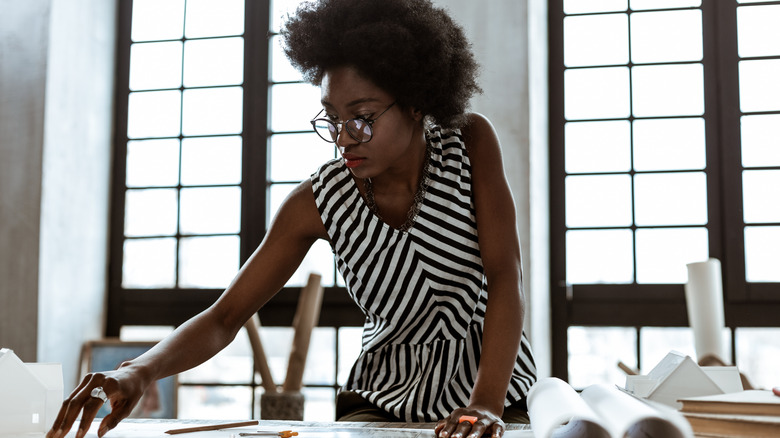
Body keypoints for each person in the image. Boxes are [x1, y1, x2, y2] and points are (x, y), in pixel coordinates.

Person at [46, 1, 537, 437]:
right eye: (332, 118)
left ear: (414, 102)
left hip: (496, 396)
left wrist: (486, 405)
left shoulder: (469, 144)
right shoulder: (319, 200)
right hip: (383, 404)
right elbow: (225, 316)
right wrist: (142, 369)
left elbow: (503, 275)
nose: (344, 137)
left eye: (361, 116)